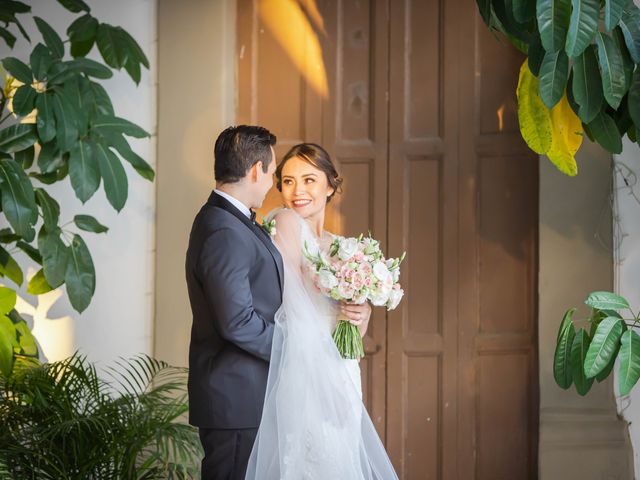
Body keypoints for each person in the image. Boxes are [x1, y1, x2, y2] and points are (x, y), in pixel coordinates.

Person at [245, 143, 398, 479]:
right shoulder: (284, 222)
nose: (297, 191)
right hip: (305, 371)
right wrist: (335, 282)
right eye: (287, 181)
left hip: (342, 370)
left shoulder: (344, 247)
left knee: (339, 461)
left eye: (309, 180)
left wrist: (360, 315)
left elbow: (351, 338)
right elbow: (295, 302)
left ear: (330, 185)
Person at [185, 125, 282, 480]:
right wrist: (293, 347)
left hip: (245, 397)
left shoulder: (230, 221)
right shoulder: (224, 229)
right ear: (256, 170)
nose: (272, 182)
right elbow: (237, 322)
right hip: (235, 400)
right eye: (272, 172)